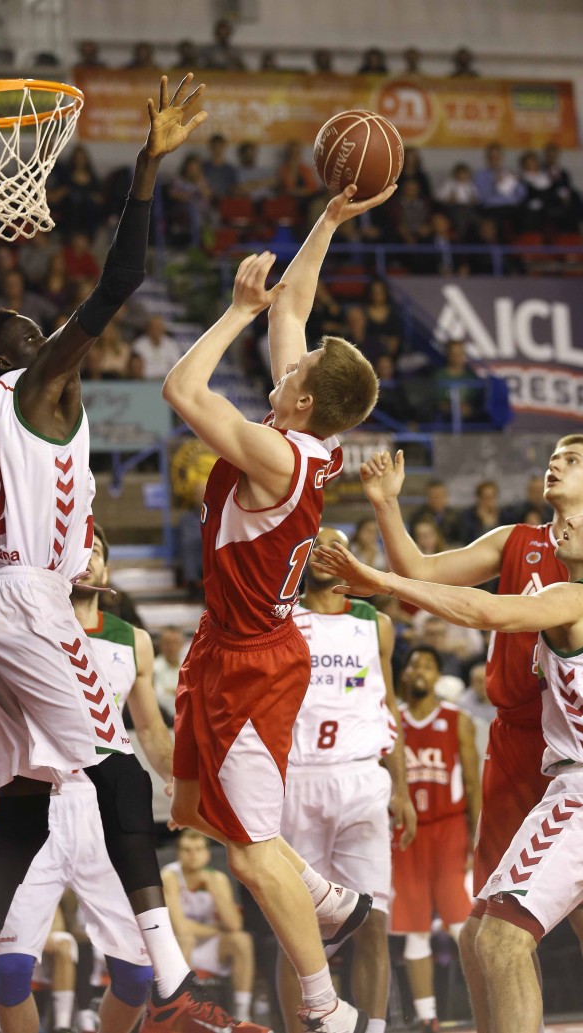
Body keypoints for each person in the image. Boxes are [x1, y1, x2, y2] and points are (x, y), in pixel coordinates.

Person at [0, 74, 252, 1033]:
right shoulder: (38, 387)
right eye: (45, 338)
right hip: (31, 599)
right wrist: (147, 164)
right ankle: (175, 988)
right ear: (22, 355)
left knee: (26, 806)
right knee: (119, 768)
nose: (66, 349)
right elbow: (120, 284)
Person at [162, 179, 395, 1033]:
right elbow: (293, 306)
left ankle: (325, 1008)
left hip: (253, 663)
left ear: (299, 401)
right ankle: (328, 896)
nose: (283, 363)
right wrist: (328, 219)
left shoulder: (275, 454)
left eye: (293, 370)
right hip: (228, 642)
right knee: (190, 809)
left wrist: (233, 312)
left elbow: (183, 390)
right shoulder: (309, 435)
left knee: (256, 861)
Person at [335, 435, 583, 1033]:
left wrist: (380, 581)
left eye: (572, 460)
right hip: (542, 749)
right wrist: (386, 506)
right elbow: (425, 571)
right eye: (553, 456)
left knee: (560, 920)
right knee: (484, 927)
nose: (554, 464)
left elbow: (481, 612)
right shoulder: (524, 543)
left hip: (582, 765)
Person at [0, 525, 196, 1033]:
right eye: (80, 548)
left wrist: (175, 778)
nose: (88, 557)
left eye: (97, 550)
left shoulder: (134, 641)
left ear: (107, 570)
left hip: (103, 814)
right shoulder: (18, 625)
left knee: (135, 975)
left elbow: (149, 729)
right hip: (41, 801)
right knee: (13, 972)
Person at [276, 527, 415, 1033]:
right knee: (297, 931)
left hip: (362, 778)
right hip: (300, 778)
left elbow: (388, 704)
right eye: (314, 546)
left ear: (349, 560)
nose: (323, 554)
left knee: (374, 921)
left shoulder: (376, 624)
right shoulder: (282, 620)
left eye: (334, 547)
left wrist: (401, 788)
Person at [389, 645, 479, 1033]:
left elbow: (473, 783)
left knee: (461, 923)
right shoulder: (392, 722)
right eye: (414, 665)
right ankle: (427, 1018)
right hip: (405, 833)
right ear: (405, 675)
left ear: (438, 676)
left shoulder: (458, 719)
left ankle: (491, 999)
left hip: (449, 827)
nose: (420, 670)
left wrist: (476, 837)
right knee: (415, 931)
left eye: (428, 665)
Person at [162, 831, 256, 1021]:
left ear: (207, 854)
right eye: (187, 850)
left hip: (208, 946)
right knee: (186, 939)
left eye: (198, 849)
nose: (193, 855)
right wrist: (216, 929)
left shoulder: (217, 878)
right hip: (177, 946)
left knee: (242, 940)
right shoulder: (169, 876)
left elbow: (234, 925)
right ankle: (183, 1010)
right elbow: (180, 927)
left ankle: (242, 1012)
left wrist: (214, 889)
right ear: (179, 853)